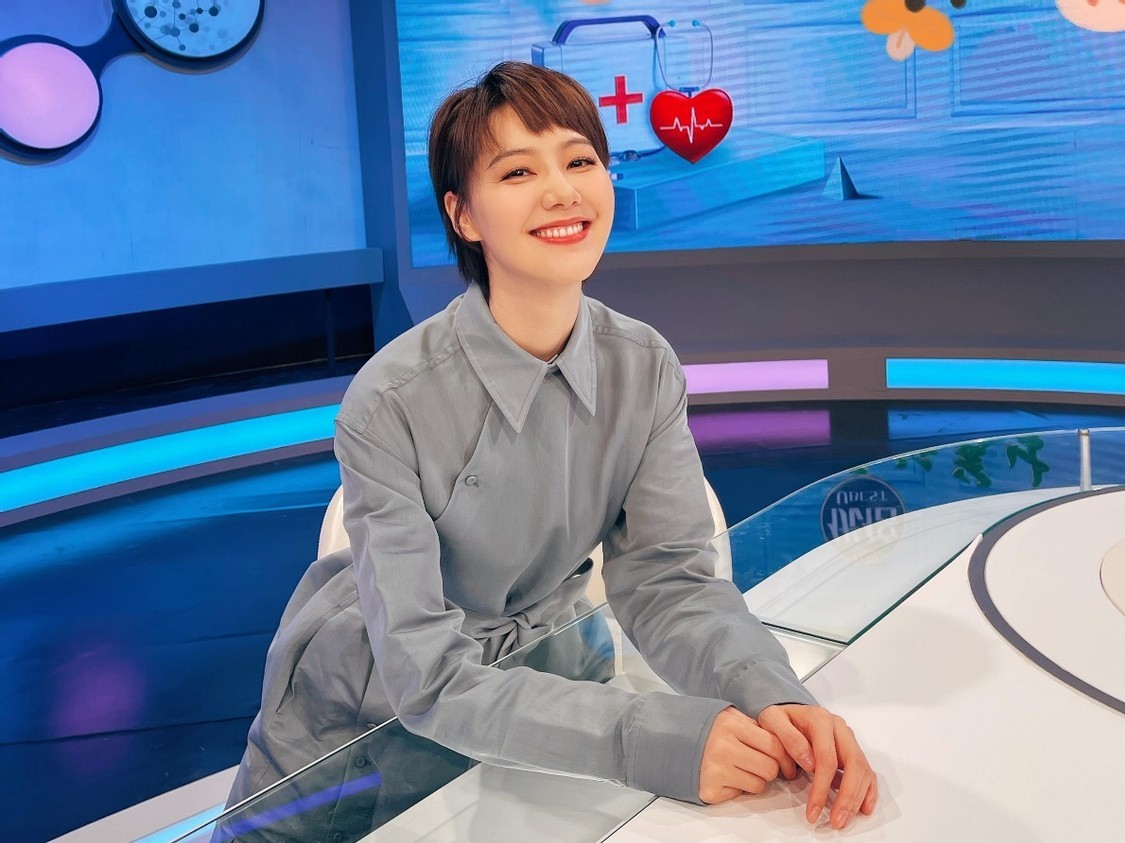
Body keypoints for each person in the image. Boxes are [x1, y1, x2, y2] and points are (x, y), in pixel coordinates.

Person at [227, 60, 877, 837]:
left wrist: (773, 696)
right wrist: (652, 738)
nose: (562, 190)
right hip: (363, 729)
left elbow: (669, 580)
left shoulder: (644, 364)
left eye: (579, 160)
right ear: (464, 214)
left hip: (553, 699)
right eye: (518, 171)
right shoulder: (389, 399)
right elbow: (426, 677)